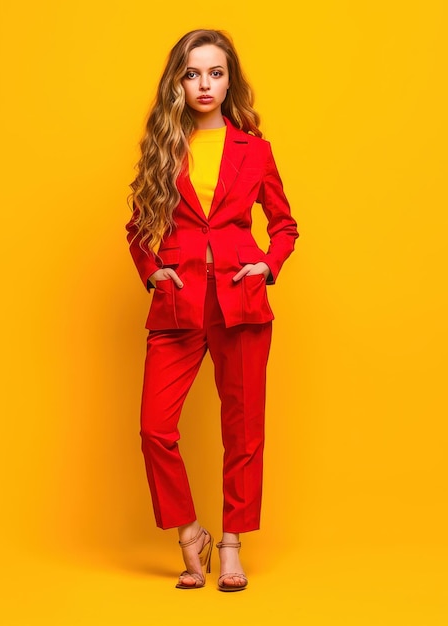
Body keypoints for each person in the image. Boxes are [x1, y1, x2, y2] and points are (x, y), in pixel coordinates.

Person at [126, 29, 299, 591]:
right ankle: (189, 533)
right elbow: (137, 228)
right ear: (178, 80)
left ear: (230, 81)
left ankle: (231, 544)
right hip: (177, 303)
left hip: (240, 301)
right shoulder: (162, 146)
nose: (205, 84)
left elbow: (285, 224)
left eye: (216, 73)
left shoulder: (256, 149)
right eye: (193, 73)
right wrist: (152, 269)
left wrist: (268, 264)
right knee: (155, 429)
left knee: (244, 431)